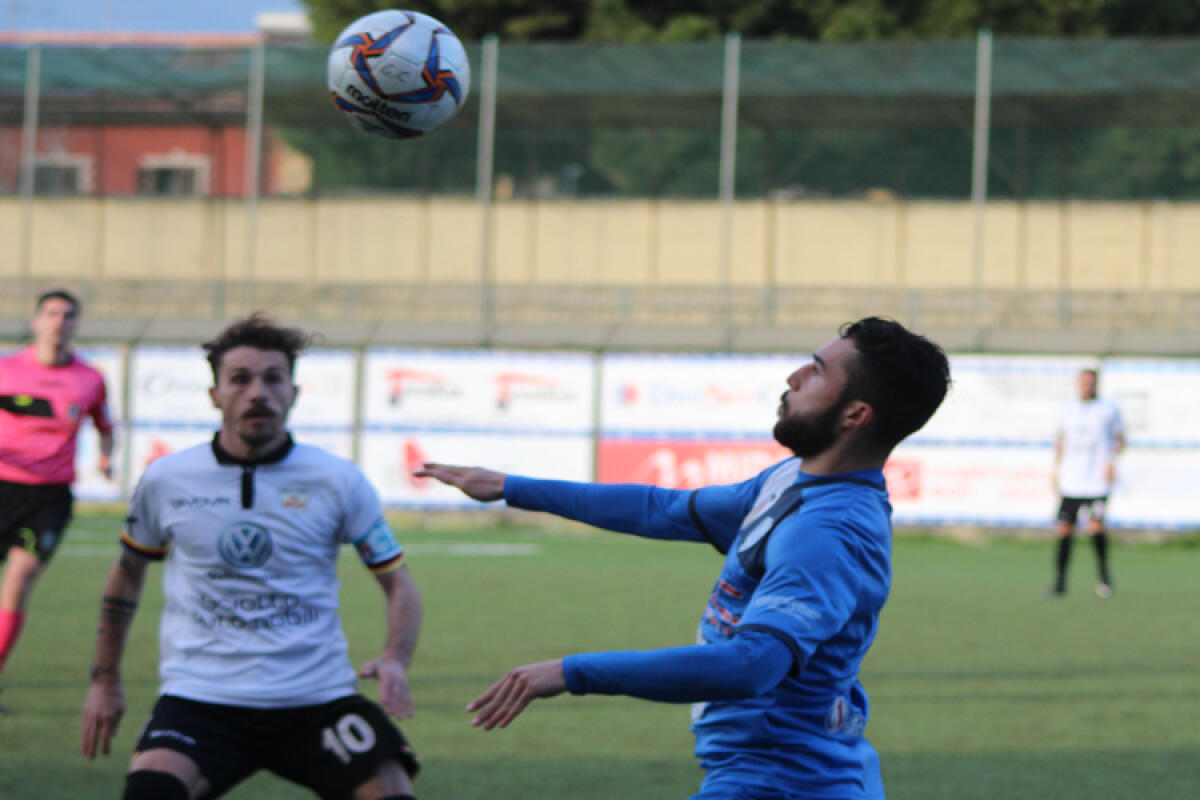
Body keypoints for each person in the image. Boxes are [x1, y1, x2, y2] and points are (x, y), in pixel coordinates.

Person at [417, 316, 951, 800]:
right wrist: (512, 487)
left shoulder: (827, 532)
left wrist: (573, 672)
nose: (793, 377)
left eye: (816, 371)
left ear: (855, 414)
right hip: (775, 772)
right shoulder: (792, 479)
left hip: (783, 781)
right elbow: (664, 509)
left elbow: (751, 666)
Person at [80, 314, 424, 800]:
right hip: (201, 698)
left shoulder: (337, 480)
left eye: (273, 378)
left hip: (316, 698)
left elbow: (399, 581)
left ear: (293, 393)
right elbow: (126, 578)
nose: (257, 392)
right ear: (215, 395)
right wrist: (104, 680)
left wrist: (396, 658)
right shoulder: (167, 479)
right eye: (240, 379)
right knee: (151, 790)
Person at [0, 289, 114, 704]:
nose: (58, 322)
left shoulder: (90, 378)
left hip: (49, 498)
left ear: (76, 324)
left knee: (17, 584)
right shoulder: (6, 371)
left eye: (68, 315)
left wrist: (105, 458)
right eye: (50, 313)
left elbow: (105, 425)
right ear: (35, 321)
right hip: (2, 485)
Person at [1048, 366, 1124, 598]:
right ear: (1077, 383)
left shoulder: (1109, 408)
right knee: (1064, 529)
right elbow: (1060, 440)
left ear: (1096, 384)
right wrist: (1056, 469)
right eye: (1083, 382)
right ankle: (1060, 583)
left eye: (1091, 382)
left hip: (1096, 481)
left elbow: (1120, 439)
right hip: (1072, 479)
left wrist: (1111, 462)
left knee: (1095, 527)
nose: (1086, 386)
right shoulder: (1067, 408)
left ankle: (1104, 579)